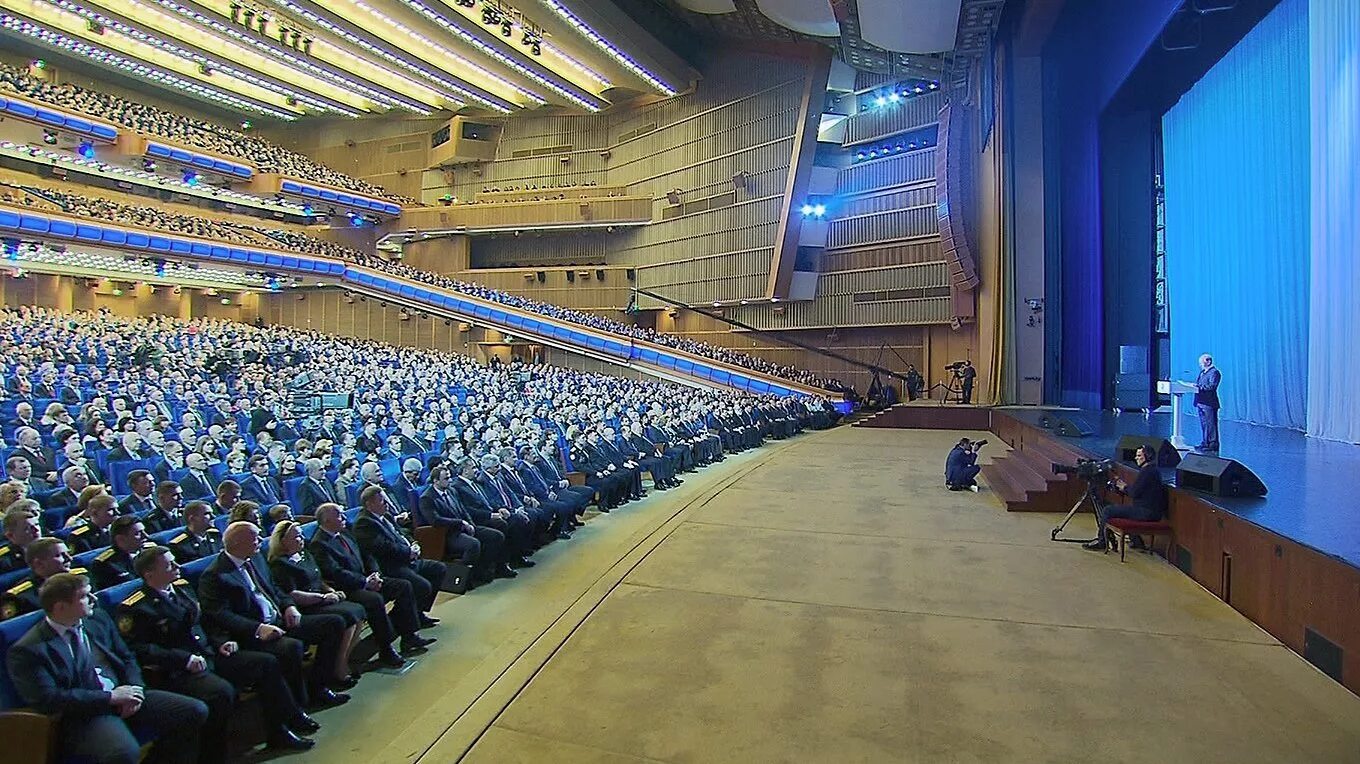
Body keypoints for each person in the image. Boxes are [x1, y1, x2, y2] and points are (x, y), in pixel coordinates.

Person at [118, 546, 317, 756]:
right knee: (220, 692)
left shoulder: (182, 586)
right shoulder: (136, 607)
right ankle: (214, 754)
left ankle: (280, 730)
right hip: (177, 668)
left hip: (209, 653)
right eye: (169, 565)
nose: (177, 566)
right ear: (150, 574)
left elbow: (204, 621)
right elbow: (139, 649)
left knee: (265, 664)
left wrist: (222, 640)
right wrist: (184, 659)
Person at [5, 572, 209, 764]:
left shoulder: (97, 618)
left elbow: (126, 656)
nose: (94, 598)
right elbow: (49, 700)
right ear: (60, 607)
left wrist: (134, 688)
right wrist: (111, 698)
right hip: (85, 713)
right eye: (84, 596)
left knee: (194, 711)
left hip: (125, 692)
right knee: (122, 753)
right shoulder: (29, 649)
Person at [196, 522, 350, 711]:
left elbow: (274, 588)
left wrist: (289, 606)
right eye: (255, 538)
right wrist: (258, 629)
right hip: (252, 632)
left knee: (334, 623)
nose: (261, 540)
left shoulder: (256, 558)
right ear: (236, 543)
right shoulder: (214, 576)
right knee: (291, 647)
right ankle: (298, 706)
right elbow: (221, 615)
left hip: (279, 620)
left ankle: (318, 686)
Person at [307, 503, 432, 666]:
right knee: (374, 600)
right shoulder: (319, 544)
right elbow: (335, 573)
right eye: (339, 515)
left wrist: (375, 574)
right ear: (327, 520)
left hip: (367, 578)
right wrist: (365, 582)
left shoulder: (345, 532)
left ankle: (408, 636)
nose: (344, 518)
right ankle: (386, 649)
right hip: (348, 587)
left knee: (404, 586)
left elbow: (367, 554)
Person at [266, 520, 363, 690]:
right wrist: (324, 597)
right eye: (296, 536)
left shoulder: (305, 555)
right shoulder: (279, 564)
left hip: (321, 597)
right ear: (282, 541)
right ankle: (337, 668)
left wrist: (331, 590)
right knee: (344, 618)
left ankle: (342, 660)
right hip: (306, 605)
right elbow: (292, 594)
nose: (301, 538)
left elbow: (319, 579)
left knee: (357, 611)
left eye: (301, 534)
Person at [352, 485, 446, 623]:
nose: (387, 504)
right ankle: (398, 621)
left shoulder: (386, 515)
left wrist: (413, 544)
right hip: (390, 565)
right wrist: (409, 552)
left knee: (439, 568)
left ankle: (418, 613)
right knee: (422, 586)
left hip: (406, 559)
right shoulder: (364, 523)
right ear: (369, 504)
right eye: (383, 501)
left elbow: (402, 534)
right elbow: (383, 547)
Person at [1085, 445, 1169, 551]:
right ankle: (1136, 542)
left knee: (1108, 510)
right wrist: (1124, 487)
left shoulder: (1147, 472)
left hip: (1147, 512)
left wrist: (1124, 487)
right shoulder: (1151, 471)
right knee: (1123, 510)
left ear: (1147, 457)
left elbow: (1134, 493)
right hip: (1149, 511)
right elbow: (1137, 490)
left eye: (1139, 455)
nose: (1136, 458)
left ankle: (1102, 542)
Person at [1194, 353, 1221, 452]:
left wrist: (1198, 387)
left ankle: (1213, 443)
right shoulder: (1202, 372)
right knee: (1204, 423)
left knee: (1211, 423)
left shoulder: (1214, 372)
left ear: (1208, 361)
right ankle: (1205, 442)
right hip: (1201, 401)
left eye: (1202, 362)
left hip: (1209, 402)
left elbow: (1212, 386)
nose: (1200, 364)